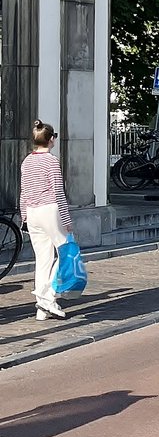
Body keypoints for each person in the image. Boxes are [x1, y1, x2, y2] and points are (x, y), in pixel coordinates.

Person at [19, 120, 72, 320]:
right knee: (66, 251)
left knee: (43, 259)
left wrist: (24, 215)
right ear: (51, 139)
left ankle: (41, 307)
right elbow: (58, 191)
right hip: (50, 210)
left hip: (32, 212)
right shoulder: (51, 161)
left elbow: (23, 191)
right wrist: (66, 218)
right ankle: (49, 296)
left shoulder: (27, 161)